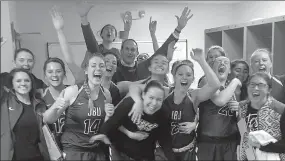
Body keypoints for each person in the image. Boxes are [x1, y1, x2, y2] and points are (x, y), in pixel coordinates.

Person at [43, 53, 115, 161]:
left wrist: (109, 116)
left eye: (101, 66)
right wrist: (55, 106)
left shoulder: (106, 94)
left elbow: (101, 125)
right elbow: (47, 119)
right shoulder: (73, 91)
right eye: (93, 65)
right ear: (86, 70)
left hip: (95, 150)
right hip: (74, 151)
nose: (98, 69)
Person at [50, 6, 121, 107]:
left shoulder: (115, 89)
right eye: (106, 62)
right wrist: (60, 31)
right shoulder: (84, 79)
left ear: (116, 69)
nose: (110, 64)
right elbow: (69, 59)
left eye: (114, 63)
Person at [89, 80, 177, 161]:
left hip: (144, 156)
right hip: (121, 152)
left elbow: (165, 139)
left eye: (159, 100)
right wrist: (100, 139)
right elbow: (111, 124)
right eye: (151, 98)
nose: (154, 103)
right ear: (143, 95)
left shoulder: (163, 113)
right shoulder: (129, 104)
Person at [160, 51, 220, 160]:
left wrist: (201, 60)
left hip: (187, 151)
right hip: (164, 152)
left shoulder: (194, 95)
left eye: (188, 75)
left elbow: (215, 85)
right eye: (180, 74)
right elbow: (140, 87)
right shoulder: (164, 92)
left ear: (193, 79)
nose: (184, 77)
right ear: (174, 77)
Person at [197, 56, 241, 160]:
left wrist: (239, 110)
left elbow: (240, 121)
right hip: (208, 143)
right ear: (212, 68)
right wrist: (235, 81)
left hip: (230, 143)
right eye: (219, 62)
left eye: (226, 62)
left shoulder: (234, 90)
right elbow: (220, 101)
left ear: (229, 70)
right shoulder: (206, 82)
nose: (222, 63)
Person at [1, 68, 49, 161]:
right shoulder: (4, 104)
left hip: (38, 157)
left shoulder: (40, 104)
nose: (23, 84)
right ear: (12, 85)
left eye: (27, 80)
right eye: (18, 81)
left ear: (31, 83)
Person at [238, 72, 285, 160]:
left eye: (261, 85)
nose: (256, 88)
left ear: (269, 89)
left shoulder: (280, 109)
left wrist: (262, 146)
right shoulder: (242, 109)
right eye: (252, 84)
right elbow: (243, 138)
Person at [76, 0, 130, 67]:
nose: (109, 31)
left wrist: (126, 30)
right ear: (101, 35)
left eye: (112, 30)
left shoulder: (117, 52)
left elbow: (125, 60)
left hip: (114, 76)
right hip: (98, 75)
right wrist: (83, 18)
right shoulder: (94, 49)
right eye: (107, 29)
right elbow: (90, 42)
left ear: (115, 36)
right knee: (95, 51)